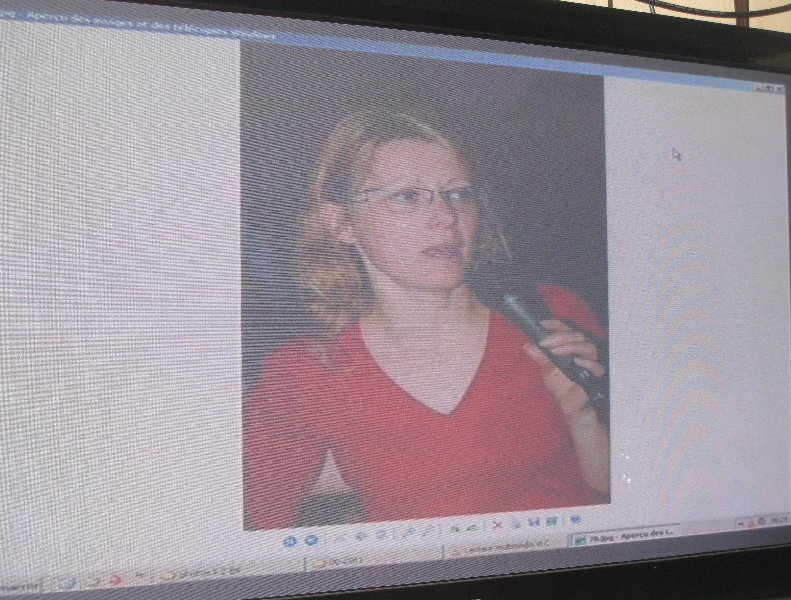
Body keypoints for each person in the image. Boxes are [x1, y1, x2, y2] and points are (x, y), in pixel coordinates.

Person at [244, 110, 610, 529]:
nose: (448, 217)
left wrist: (585, 416)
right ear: (342, 223)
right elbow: (263, 529)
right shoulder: (304, 371)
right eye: (408, 196)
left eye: (459, 195)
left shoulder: (552, 316)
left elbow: (624, 486)